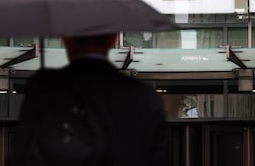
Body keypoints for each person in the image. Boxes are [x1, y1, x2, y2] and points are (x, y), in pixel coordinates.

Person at [10, 33, 168, 166]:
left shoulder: (44, 89)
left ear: (67, 40)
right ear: (112, 39)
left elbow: (22, 154)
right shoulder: (145, 97)